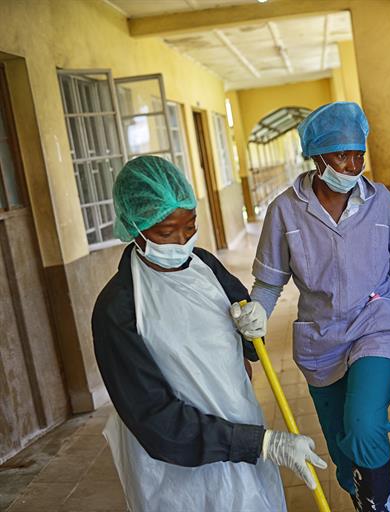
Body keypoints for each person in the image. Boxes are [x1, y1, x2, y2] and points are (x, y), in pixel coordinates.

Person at [234, 102, 390, 512]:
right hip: (321, 338)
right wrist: (258, 312)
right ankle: (363, 496)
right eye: (341, 155)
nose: (353, 165)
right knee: (343, 451)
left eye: (359, 154)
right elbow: (269, 282)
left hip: (378, 324)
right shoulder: (285, 210)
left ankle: (378, 506)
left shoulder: (380, 200)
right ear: (316, 156)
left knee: (364, 423)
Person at [92, 156, 326, 512]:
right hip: (178, 474)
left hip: (242, 436)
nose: (182, 241)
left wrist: (253, 327)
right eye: (165, 233)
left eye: (190, 226)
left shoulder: (205, 266)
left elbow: (250, 343)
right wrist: (262, 445)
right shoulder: (119, 309)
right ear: (134, 226)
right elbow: (156, 419)